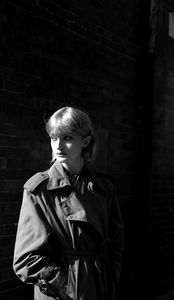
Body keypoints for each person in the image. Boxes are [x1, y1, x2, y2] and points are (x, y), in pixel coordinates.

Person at [13, 106, 124, 300]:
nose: (58, 146)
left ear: (86, 141)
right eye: (53, 138)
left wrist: (110, 278)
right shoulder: (39, 189)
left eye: (68, 138)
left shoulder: (104, 187)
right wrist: (68, 287)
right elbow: (26, 259)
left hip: (101, 286)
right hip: (62, 293)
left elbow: (116, 241)